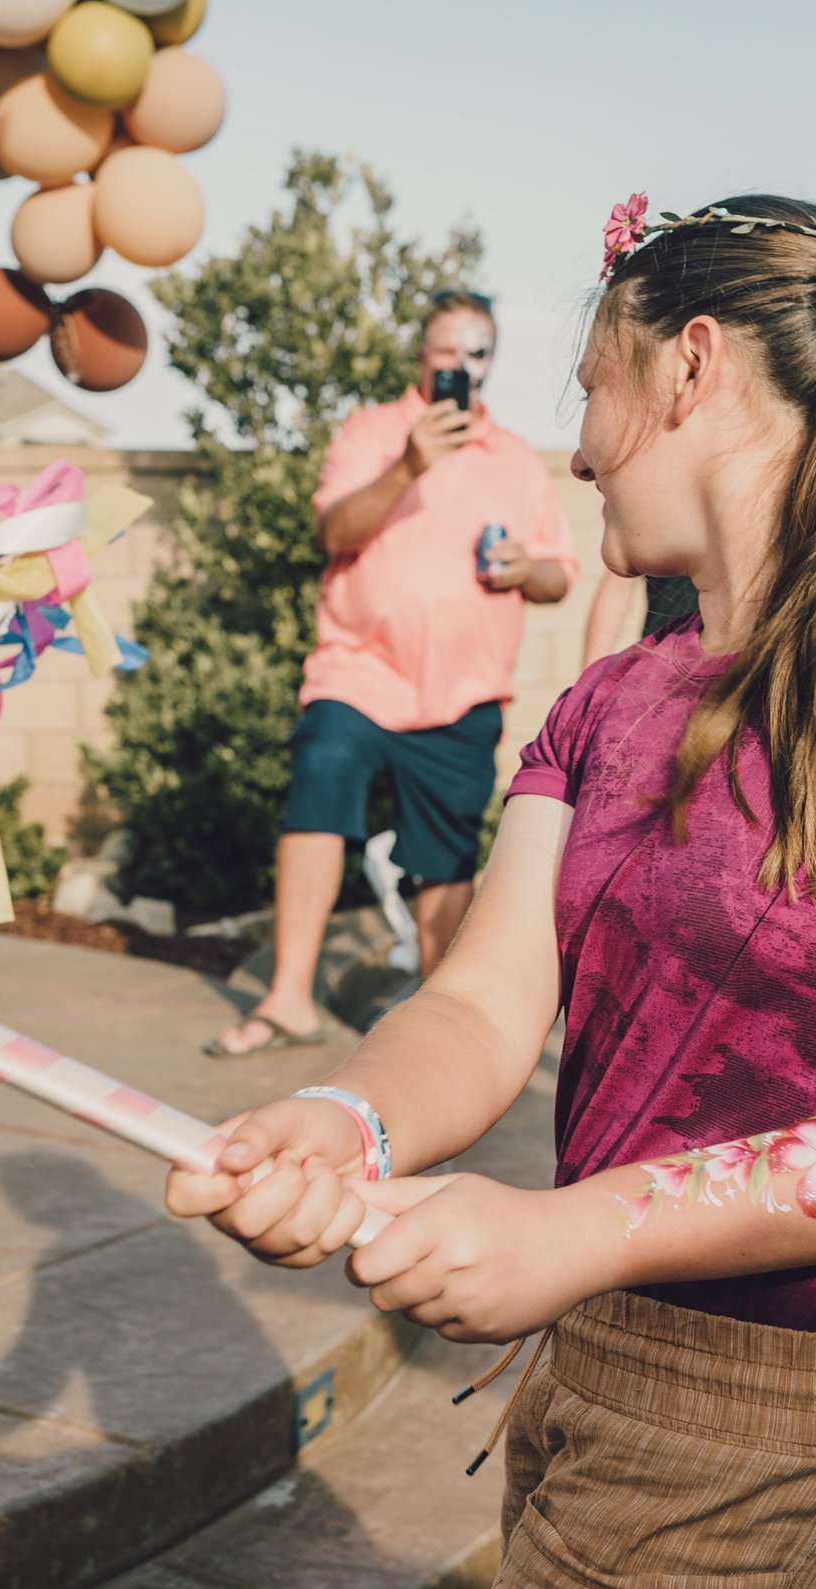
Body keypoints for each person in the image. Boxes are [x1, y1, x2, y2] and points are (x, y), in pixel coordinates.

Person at [168, 193, 816, 1589]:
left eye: (591, 388)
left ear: (691, 367)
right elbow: (486, 1005)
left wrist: (581, 1231)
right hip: (604, 1423)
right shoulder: (611, 700)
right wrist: (344, 1117)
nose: (575, 449)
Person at [207, 290, 577, 1057]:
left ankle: (443, 1021)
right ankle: (287, 1001)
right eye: (447, 351)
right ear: (423, 356)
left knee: (444, 856)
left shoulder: (514, 459)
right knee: (321, 778)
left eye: (476, 353)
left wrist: (525, 567)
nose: (460, 367)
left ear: (491, 361)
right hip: (359, 673)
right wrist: (410, 462)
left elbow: (559, 576)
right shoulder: (374, 432)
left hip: (463, 690)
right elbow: (334, 529)